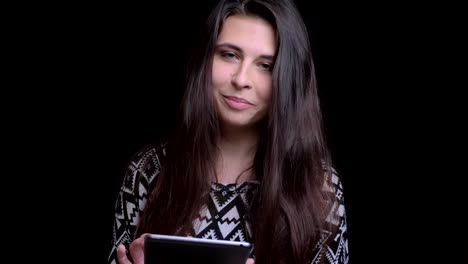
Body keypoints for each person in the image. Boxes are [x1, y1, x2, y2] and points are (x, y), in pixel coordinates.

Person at [108, 0, 349, 263]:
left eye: (266, 65)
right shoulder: (148, 171)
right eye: (229, 55)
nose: (241, 79)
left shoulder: (318, 188)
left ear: (288, 78)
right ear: (205, 60)